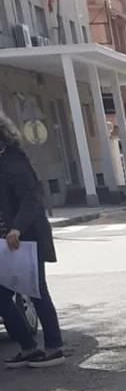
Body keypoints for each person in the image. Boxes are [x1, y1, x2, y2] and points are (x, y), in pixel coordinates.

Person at [0, 110, 64, 368]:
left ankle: (54, 347)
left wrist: (16, 228)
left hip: (26, 237)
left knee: (36, 290)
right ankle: (28, 347)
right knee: (3, 295)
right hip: (8, 239)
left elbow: (30, 197)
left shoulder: (12, 160)